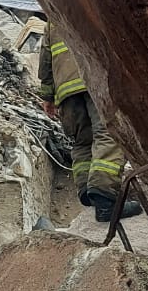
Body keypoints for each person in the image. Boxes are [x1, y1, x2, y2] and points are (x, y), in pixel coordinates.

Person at [38, 21, 140, 223]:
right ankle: (105, 202)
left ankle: (87, 190)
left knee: (82, 141)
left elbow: (45, 61)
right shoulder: (93, 6)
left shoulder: (53, 19)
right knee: (110, 135)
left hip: (66, 93)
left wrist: (48, 97)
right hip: (96, 83)